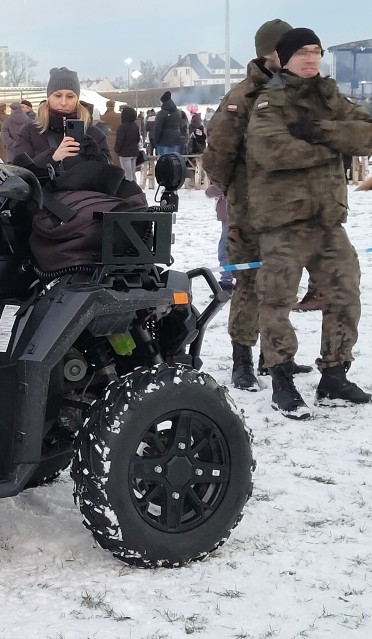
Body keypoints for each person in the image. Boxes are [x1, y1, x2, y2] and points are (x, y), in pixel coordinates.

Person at [245, 26, 372, 418]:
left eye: (316, 51)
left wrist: (321, 131)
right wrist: (333, 149)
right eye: (302, 53)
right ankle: (281, 380)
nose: (311, 59)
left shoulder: (330, 96)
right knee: (277, 301)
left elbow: (366, 134)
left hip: (327, 221)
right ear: (284, 58)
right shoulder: (270, 102)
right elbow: (273, 151)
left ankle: (334, 375)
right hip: (284, 221)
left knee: (345, 293)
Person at [202, 19, 315, 393]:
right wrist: (239, 193)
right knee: (249, 285)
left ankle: (275, 357)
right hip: (250, 213)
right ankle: (242, 361)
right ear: (268, 53)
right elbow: (216, 156)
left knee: (282, 284)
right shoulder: (242, 98)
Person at [12, 67, 110, 168]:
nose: (63, 102)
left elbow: (110, 175)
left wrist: (97, 157)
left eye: (70, 96)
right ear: (49, 98)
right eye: (58, 96)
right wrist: (53, 158)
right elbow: (20, 171)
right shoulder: (29, 131)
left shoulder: (94, 134)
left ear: (77, 99)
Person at [114, 106, 141, 182]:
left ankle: (130, 190)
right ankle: (135, 189)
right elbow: (138, 139)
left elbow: (119, 141)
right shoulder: (135, 126)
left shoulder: (122, 127)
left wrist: (116, 150)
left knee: (127, 174)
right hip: (134, 152)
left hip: (124, 153)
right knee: (132, 173)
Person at [151, 91, 183, 156]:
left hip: (163, 142)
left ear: (163, 102)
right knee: (173, 161)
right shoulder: (178, 112)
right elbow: (181, 125)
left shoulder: (161, 113)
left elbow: (158, 128)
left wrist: (155, 140)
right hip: (176, 140)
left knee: (164, 162)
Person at [100, 100, 122, 164]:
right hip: (118, 139)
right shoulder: (119, 116)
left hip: (106, 139)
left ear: (106, 106)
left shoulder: (103, 117)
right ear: (114, 106)